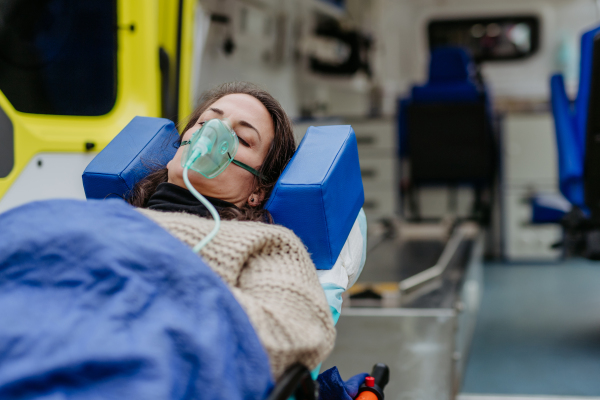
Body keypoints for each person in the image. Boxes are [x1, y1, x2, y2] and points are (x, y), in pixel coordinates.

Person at [127, 82, 336, 379]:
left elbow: (293, 337)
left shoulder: (267, 244)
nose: (212, 134)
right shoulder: (106, 218)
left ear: (258, 189)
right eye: (205, 122)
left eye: (241, 137)